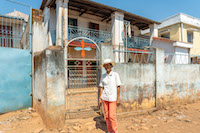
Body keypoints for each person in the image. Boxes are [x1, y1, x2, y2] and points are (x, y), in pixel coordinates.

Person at [99, 59, 121, 133]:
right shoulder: (103, 76)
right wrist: (100, 98)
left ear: (111, 66)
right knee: (107, 116)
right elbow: (101, 88)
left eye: (108, 65)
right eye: (105, 66)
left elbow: (118, 87)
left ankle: (115, 131)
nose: (107, 67)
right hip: (104, 98)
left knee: (112, 116)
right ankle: (109, 130)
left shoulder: (115, 75)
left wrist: (118, 98)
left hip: (112, 98)